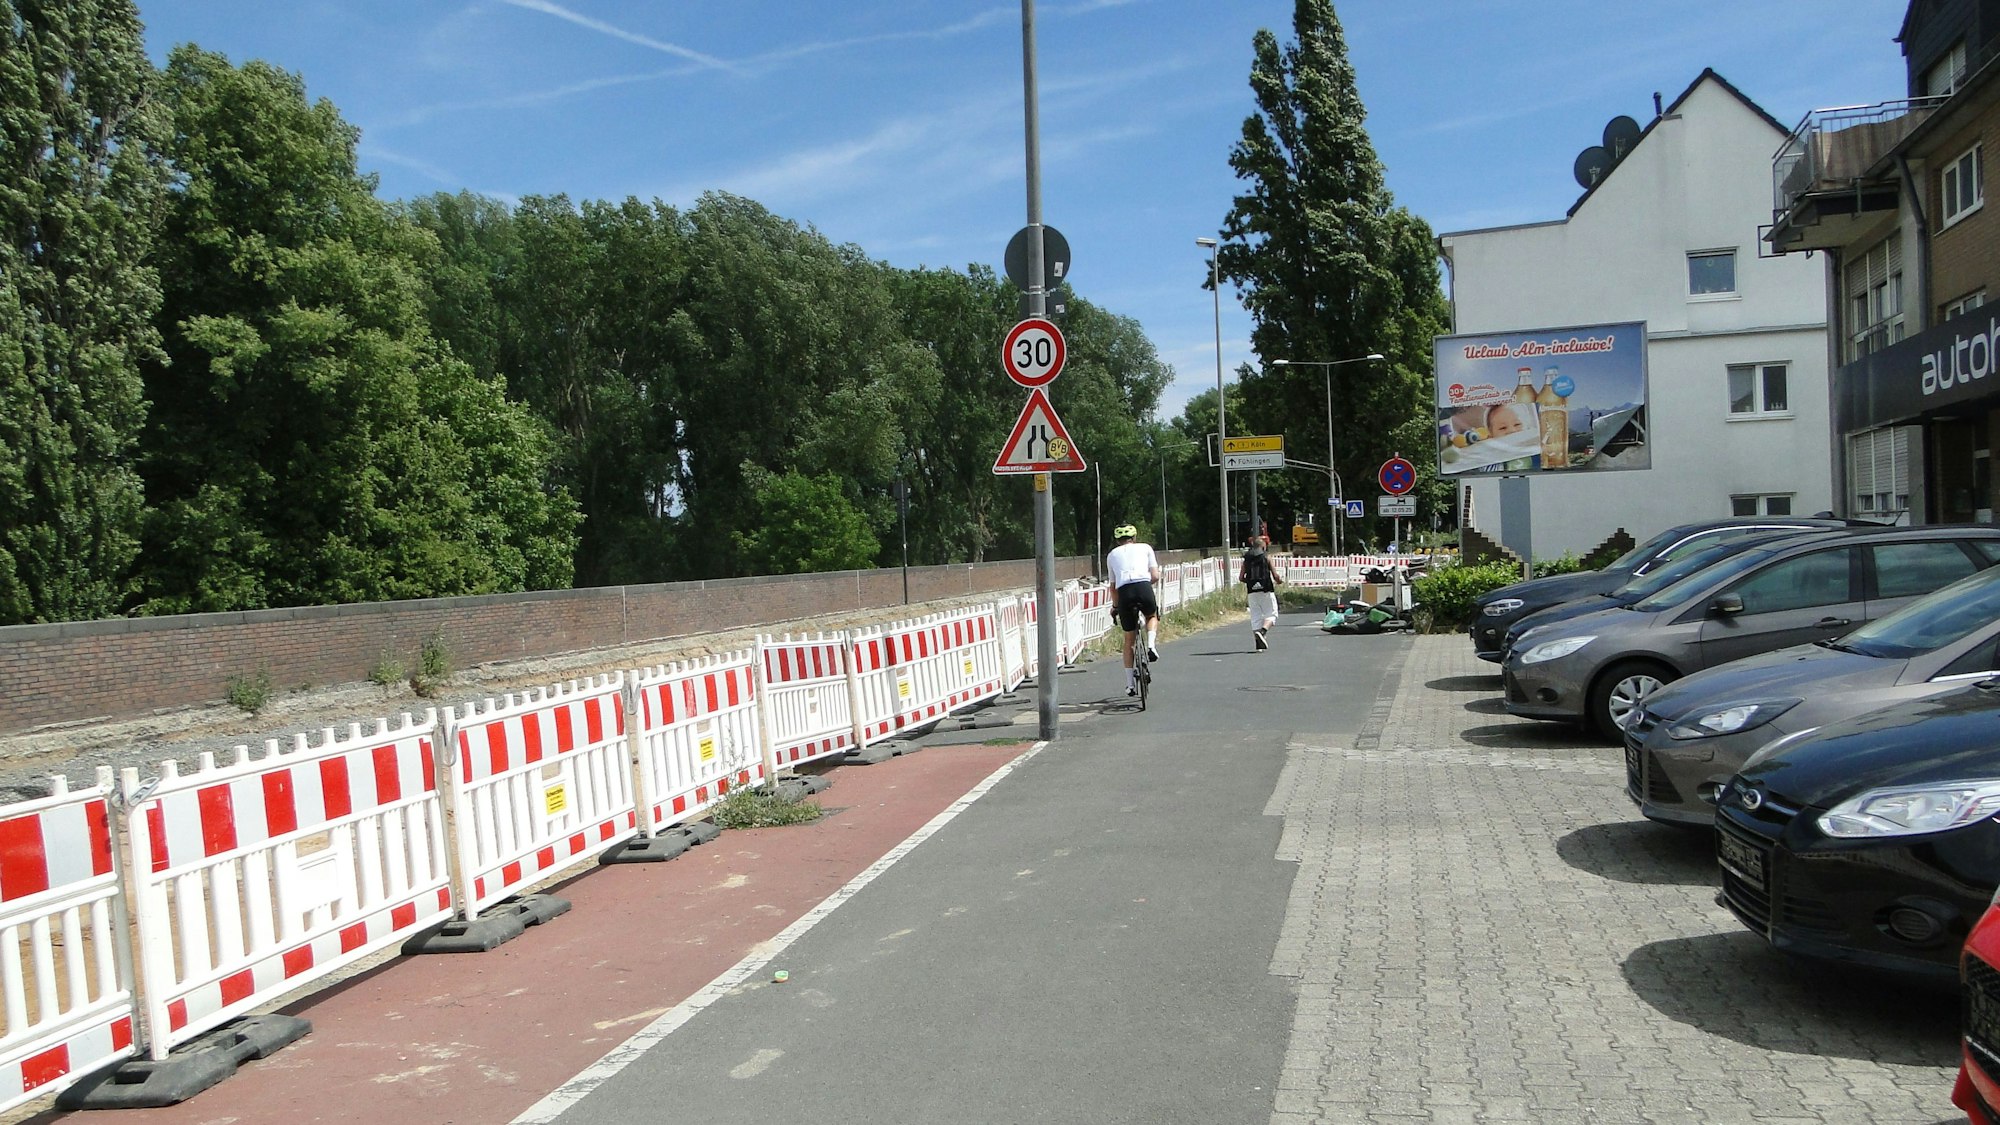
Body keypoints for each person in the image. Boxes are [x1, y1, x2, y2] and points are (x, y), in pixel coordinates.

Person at [1105, 523, 1161, 697]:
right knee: (1152, 615)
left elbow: (1112, 587)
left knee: (1129, 640)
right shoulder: (1145, 548)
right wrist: (1144, 584)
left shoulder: (1112, 555)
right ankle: (1151, 645)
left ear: (1117, 541)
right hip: (1143, 587)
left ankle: (1129, 685)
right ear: (1134, 537)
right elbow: (1155, 576)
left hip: (1125, 593)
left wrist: (1115, 607)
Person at [1239, 534, 1282, 651]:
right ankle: (1263, 632)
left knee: (1255, 617)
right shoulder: (1266, 558)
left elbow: (1241, 577)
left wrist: (1250, 581)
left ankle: (1258, 644)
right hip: (1266, 589)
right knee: (1272, 614)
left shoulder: (1246, 560)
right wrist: (1279, 581)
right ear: (1263, 547)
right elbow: (1275, 576)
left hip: (1251, 591)